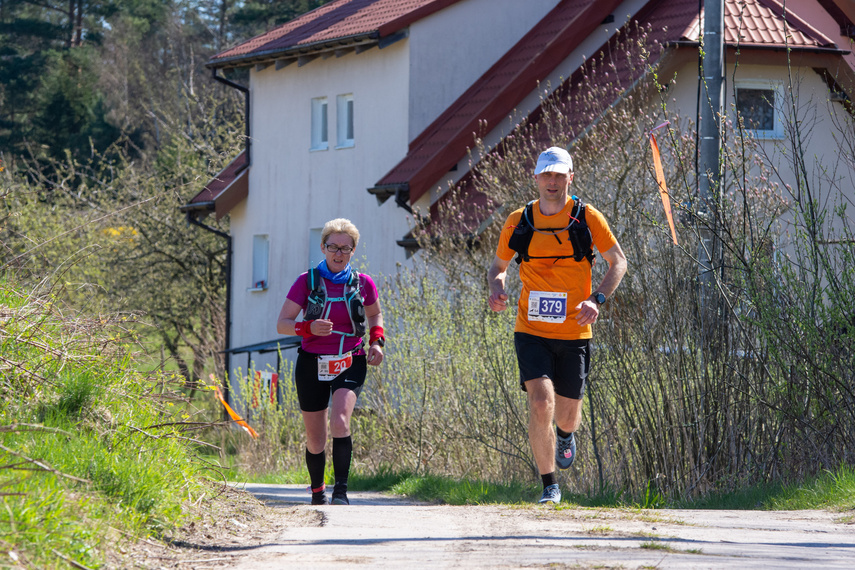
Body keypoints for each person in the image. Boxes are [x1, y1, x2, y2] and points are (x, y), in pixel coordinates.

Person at [487, 147, 626, 504]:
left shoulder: (586, 218)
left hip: (574, 331)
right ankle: (550, 485)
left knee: (567, 414)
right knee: (540, 401)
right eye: (546, 175)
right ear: (535, 178)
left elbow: (618, 262)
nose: (552, 182)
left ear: (570, 178)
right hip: (530, 330)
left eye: (558, 175)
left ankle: (565, 434)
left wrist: (596, 300)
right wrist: (497, 287)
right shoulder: (518, 220)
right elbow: (498, 267)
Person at [277, 218, 386, 506]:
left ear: (353, 251)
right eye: (333, 247)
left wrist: (377, 342)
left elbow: (375, 315)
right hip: (312, 362)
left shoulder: (363, 283)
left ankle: (341, 492)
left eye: (345, 249)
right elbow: (283, 323)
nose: (339, 254)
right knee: (316, 439)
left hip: (351, 359)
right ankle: (317, 490)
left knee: (340, 420)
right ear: (323, 248)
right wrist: (307, 328)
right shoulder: (307, 281)